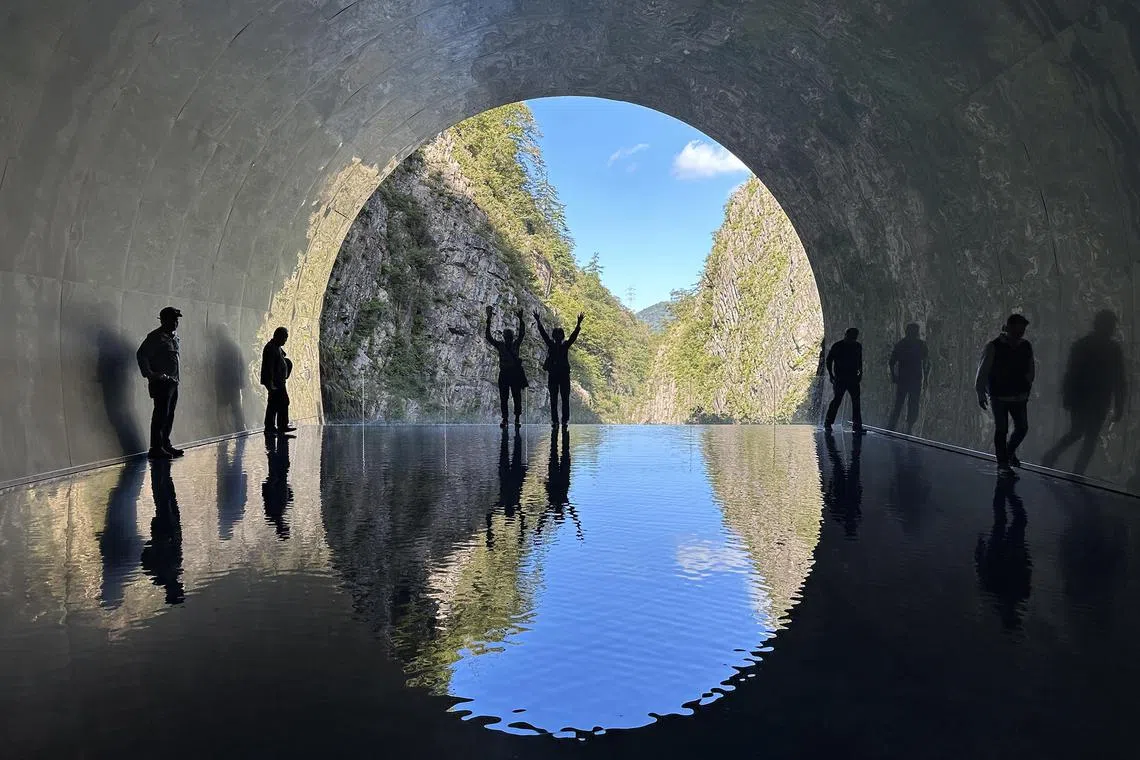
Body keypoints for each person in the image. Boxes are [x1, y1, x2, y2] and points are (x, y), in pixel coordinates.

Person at [1042, 310, 1127, 474]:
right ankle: (1075, 471)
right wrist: (1119, 405)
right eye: (1110, 325)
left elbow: (1071, 374)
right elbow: (1119, 380)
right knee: (1087, 436)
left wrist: (1067, 397)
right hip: (1095, 400)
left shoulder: (1083, 345)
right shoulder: (1112, 349)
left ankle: (1055, 458)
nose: (1111, 329)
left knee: (1079, 433)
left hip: (1085, 399)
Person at [976, 314, 1034, 477]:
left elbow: (1031, 368)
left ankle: (1008, 453)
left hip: (1019, 395)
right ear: (1009, 328)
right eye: (1017, 330)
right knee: (1002, 429)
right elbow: (983, 370)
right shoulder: (994, 346)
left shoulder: (1025, 346)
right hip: (999, 395)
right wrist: (980, 392)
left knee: (1022, 428)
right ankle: (1003, 462)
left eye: (1022, 330)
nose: (1020, 333)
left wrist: (1027, 386)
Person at [136, 306, 184, 459]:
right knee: (160, 415)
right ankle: (156, 447)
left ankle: (165, 444)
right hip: (161, 382)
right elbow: (142, 355)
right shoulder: (155, 337)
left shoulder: (173, 337)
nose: (175, 323)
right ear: (163, 320)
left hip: (173, 382)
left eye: (176, 320)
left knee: (169, 414)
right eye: (172, 319)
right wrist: (150, 374)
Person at [534, 310, 583, 428]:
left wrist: (538, 321)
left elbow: (544, 335)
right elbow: (573, 337)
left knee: (554, 399)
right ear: (562, 336)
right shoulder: (565, 345)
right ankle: (564, 420)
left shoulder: (551, 344)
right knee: (565, 399)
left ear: (554, 336)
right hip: (564, 375)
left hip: (553, 375)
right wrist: (578, 324)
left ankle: (555, 421)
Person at [485, 305, 529, 428]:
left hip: (505, 374)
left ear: (504, 336)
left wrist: (489, 320)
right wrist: (521, 320)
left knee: (505, 398)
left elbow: (488, 337)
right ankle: (516, 418)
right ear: (511, 337)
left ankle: (506, 419)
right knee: (516, 397)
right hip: (513, 374)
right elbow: (522, 334)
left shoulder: (501, 345)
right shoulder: (515, 345)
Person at [887, 323, 931, 434]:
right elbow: (926, 363)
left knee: (900, 403)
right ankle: (908, 428)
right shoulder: (920, 345)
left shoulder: (901, 344)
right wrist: (926, 378)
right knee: (912, 403)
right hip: (914, 378)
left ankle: (892, 426)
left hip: (905, 378)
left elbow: (892, 362)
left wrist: (893, 376)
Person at [824, 327, 864, 433]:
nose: (853, 339)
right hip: (842, 378)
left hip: (849, 378)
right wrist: (831, 375)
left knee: (853, 402)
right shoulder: (840, 346)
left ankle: (856, 426)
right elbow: (829, 360)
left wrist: (860, 373)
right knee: (839, 400)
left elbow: (859, 361)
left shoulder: (853, 346)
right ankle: (828, 422)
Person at [261, 326, 295, 434]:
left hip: (279, 382)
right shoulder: (271, 348)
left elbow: (282, 359)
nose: (285, 340)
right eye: (284, 337)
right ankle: (272, 427)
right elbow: (269, 367)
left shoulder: (277, 347)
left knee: (281, 403)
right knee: (275, 404)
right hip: (275, 383)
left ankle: (280, 426)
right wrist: (270, 384)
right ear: (278, 336)